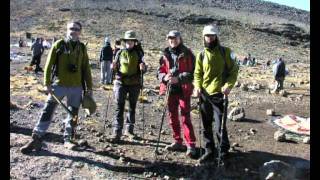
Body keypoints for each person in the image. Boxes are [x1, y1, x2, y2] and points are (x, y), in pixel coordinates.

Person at [20, 21, 93, 153]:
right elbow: (48, 65)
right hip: (58, 85)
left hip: (76, 88)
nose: (73, 31)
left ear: (80, 32)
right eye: (71, 28)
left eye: (76, 29)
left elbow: (86, 68)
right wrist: (47, 83)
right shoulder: (58, 44)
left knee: (73, 113)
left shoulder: (82, 48)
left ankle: (68, 139)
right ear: (67, 29)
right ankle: (37, 137)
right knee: (48, 109)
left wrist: (89, 88)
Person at [193, 25, 239, 163]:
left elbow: (233, 71)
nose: (210, 38)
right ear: (204, 37)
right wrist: (197, 86)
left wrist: (228, 85)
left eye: (212, 35)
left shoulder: (226, 52)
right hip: (204, 95)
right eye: (207, 35)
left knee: (219, 125)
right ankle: (209, 150)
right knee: (206, 124)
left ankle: (223, 151)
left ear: (216, 36)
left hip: (220, 94)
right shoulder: (201, 55)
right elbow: (197, 74)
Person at [157, 30, 197, 157]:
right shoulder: (165, 54)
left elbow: (192, 73)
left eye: (174, 38)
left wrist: (178, 78)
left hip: (183, 90)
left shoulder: (187, 53)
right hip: (170, 89)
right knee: (172, 116)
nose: (172, 40)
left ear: (180, 38)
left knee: (185, 117)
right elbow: (160, 71)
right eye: (170, 38)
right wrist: (164, 77)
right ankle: (177, 141)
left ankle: (191, 145)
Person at [110, 30, 146, 142]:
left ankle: (129, 131)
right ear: (124, 42)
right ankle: (117, 132)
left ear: (134, 42)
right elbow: (115, 68)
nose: (129, 43)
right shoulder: (119, 53)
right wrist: (113, 67)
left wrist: (143, 68)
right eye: (127, 41)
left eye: (131, 41)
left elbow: (144, 70)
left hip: (134, 84)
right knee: (119, 107)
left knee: (132, 107)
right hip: (121, 83)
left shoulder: (140, 53)